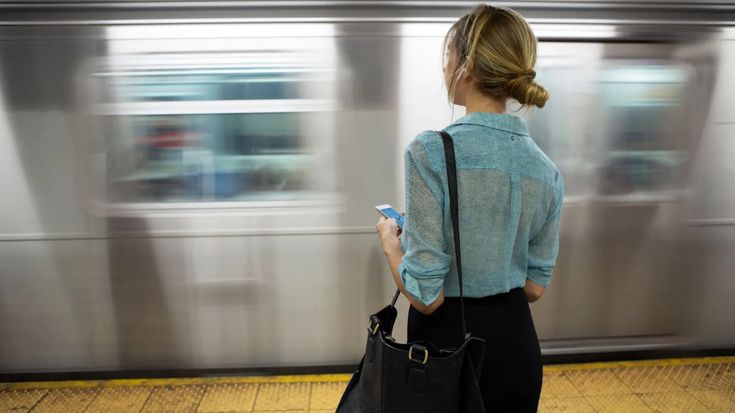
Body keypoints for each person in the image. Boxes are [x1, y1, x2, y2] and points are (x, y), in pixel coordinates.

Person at [375, 4, 564, 412]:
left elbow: (427, 296)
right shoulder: (547, 171)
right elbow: (534, 287)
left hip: (447, 353)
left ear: (468, 65)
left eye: (448, 57)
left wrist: (391, 244)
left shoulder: (430, 152)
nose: (445, 68)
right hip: (517, 351)